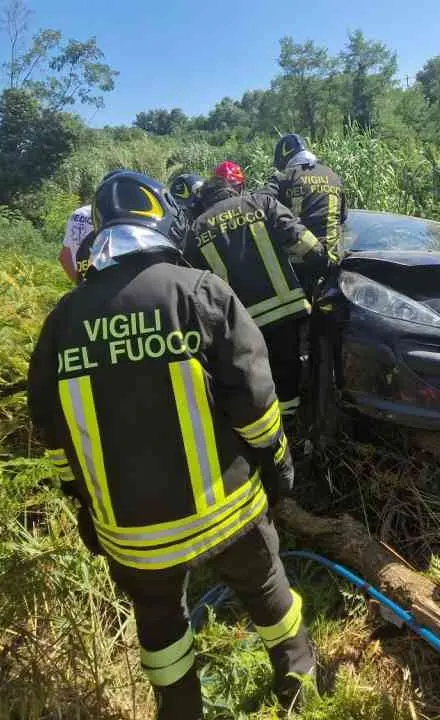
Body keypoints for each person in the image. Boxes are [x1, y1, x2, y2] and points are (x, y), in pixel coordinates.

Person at [27, 171, 315, 720]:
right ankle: (301, 687)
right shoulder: (199, 292)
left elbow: (51, 434)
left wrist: (83, 504)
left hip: (132, 535)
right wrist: (278, 467)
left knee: (160, 624)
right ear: (163, 220)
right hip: (228, 514)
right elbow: (255, 402)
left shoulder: (61, 322)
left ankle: (179, 710)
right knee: (268, 593)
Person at [188, 174, 329, 421]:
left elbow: (191, 287)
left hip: (240, 325)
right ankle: (291, 428)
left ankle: (263, 432)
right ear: (233, 189)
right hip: (285, 314)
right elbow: (309, 248)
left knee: (253, 382)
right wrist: (321, 265)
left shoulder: (196, 230)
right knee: (288, 376)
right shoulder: (262, 204)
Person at [261, 134, 347, 262]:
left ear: (284, 160)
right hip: (333, 258)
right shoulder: (333, 176)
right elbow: (343, 217)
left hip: (300, 261)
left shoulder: (284, 177)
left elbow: (260, 203)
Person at [59, 202, 93, 282]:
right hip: (109, 287)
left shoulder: (78, 213)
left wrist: (80, 286)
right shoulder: (114, 217)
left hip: (84, 285)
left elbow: (64, 256)